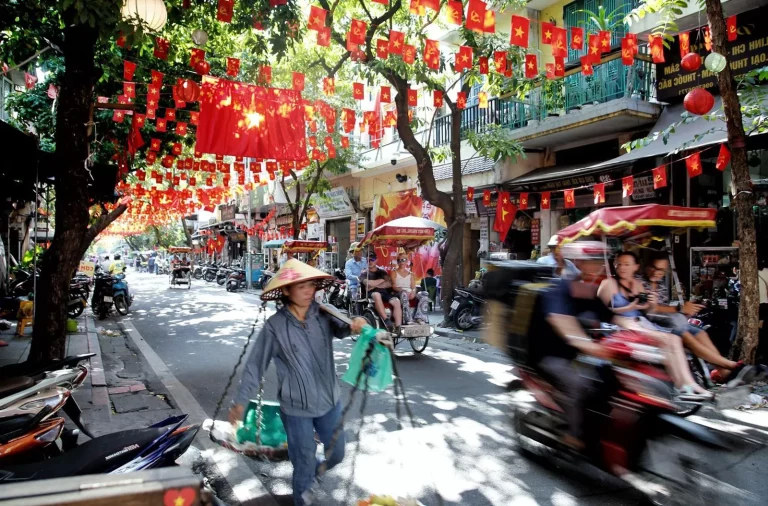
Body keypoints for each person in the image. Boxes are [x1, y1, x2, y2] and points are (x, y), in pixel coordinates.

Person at [229, 259, 369, 506]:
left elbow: (346, 327)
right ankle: (302, 495)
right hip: (295, 409)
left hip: (329, 401)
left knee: (337, 453)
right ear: (286, 290)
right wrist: (240, 403)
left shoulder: (325, 313)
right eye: (301, 286)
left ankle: (313, 472)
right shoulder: (275, 326)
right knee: (303, 461)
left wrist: (359, 324)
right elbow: (255, 366)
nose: (308, 291)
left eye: (311, 285)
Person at [597, 251, 713, 396]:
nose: (622, 268)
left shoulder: (637, 285)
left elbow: (646, 311)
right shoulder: (608, 283)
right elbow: (605, 311)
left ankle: (687, 384)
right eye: (619, 264)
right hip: (621, 324)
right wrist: (630, 307)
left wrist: (651, 303)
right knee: (666, 339)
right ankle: (682, 386)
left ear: (635, 267)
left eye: (626, 264)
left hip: (640, 322)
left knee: (674, 339)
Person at [640, 255, 753, 385]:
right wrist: (679, 308)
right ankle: (731, 365)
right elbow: (650, 309)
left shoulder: (661, 285)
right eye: (654, 268)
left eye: (661, 270)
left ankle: (724, 372)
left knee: (700, 332)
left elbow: (663, 308)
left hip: (665, 321)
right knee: (686, 335)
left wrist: (683, 311)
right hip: (652, 325)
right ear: (646, 267)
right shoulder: (640, 283)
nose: (656, 272)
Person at [359, 252, 401, 330]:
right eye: (368, 260)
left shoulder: (382, 272)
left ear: (376, 260)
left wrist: (374, 285)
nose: (370, 262)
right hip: (371, 294)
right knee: (376, 294)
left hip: (384, 293)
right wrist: (382, 280)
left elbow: (389, 283)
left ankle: (398, 327)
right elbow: (368, 283)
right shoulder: (364, 273)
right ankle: (386, 320)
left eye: (372, 259)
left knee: (396, 301)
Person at [390, 252, 430, 324]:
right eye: (399, 260)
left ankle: (419, 317)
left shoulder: (410, 274)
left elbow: (413, 287)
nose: (401, 262)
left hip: (410, 292)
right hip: (398, 292)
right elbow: (394, 286)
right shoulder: (394, 272)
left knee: (424, 294)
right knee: (404, 293)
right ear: (397, 262)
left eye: (403, 260)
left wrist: (413, 292)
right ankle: (408, 319)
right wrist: (404, 291)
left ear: (406, 261)